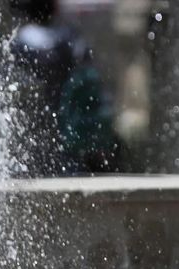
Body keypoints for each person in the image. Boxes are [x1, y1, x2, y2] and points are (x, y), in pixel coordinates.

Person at [8, 0, 121, 175]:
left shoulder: (19, 42)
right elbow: (88, 75)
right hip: (66, 124)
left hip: (32, 125)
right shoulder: (69, 37)